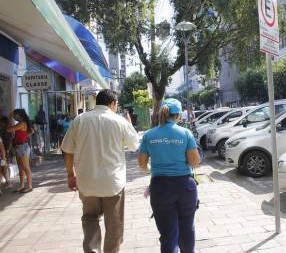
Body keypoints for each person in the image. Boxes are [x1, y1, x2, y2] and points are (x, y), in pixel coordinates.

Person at [61, 89, 139, 253]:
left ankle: (92, 250)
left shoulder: (79, 120)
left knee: (90, 218)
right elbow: (134, 145)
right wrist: (129, 123)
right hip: (113, 183)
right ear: (112, 103)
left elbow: (67, 149)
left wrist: (70, 174)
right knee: (114, 223)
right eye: (116, 104)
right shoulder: (119, 121)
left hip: (87, 181)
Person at [138, 98, 201, 253]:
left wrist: (154, 170)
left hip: (160, 187)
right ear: (178, 115)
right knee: (187, 227)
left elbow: (142, 164)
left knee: (168, 234)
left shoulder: (149, 135)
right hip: (185, 186)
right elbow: (195, 162)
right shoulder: (185, 133)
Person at [7, 109, 33, 193]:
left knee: (26, 167)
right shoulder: (21, 123)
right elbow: (31, 131)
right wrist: (24, 136)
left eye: (15, 115)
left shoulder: (22, 123)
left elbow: (9, 129)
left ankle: (29, 186)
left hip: (22, 146)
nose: (14, 116)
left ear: (19, 115)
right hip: (19, 146)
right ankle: (22, 185)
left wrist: (9, 119)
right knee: (21, 168)